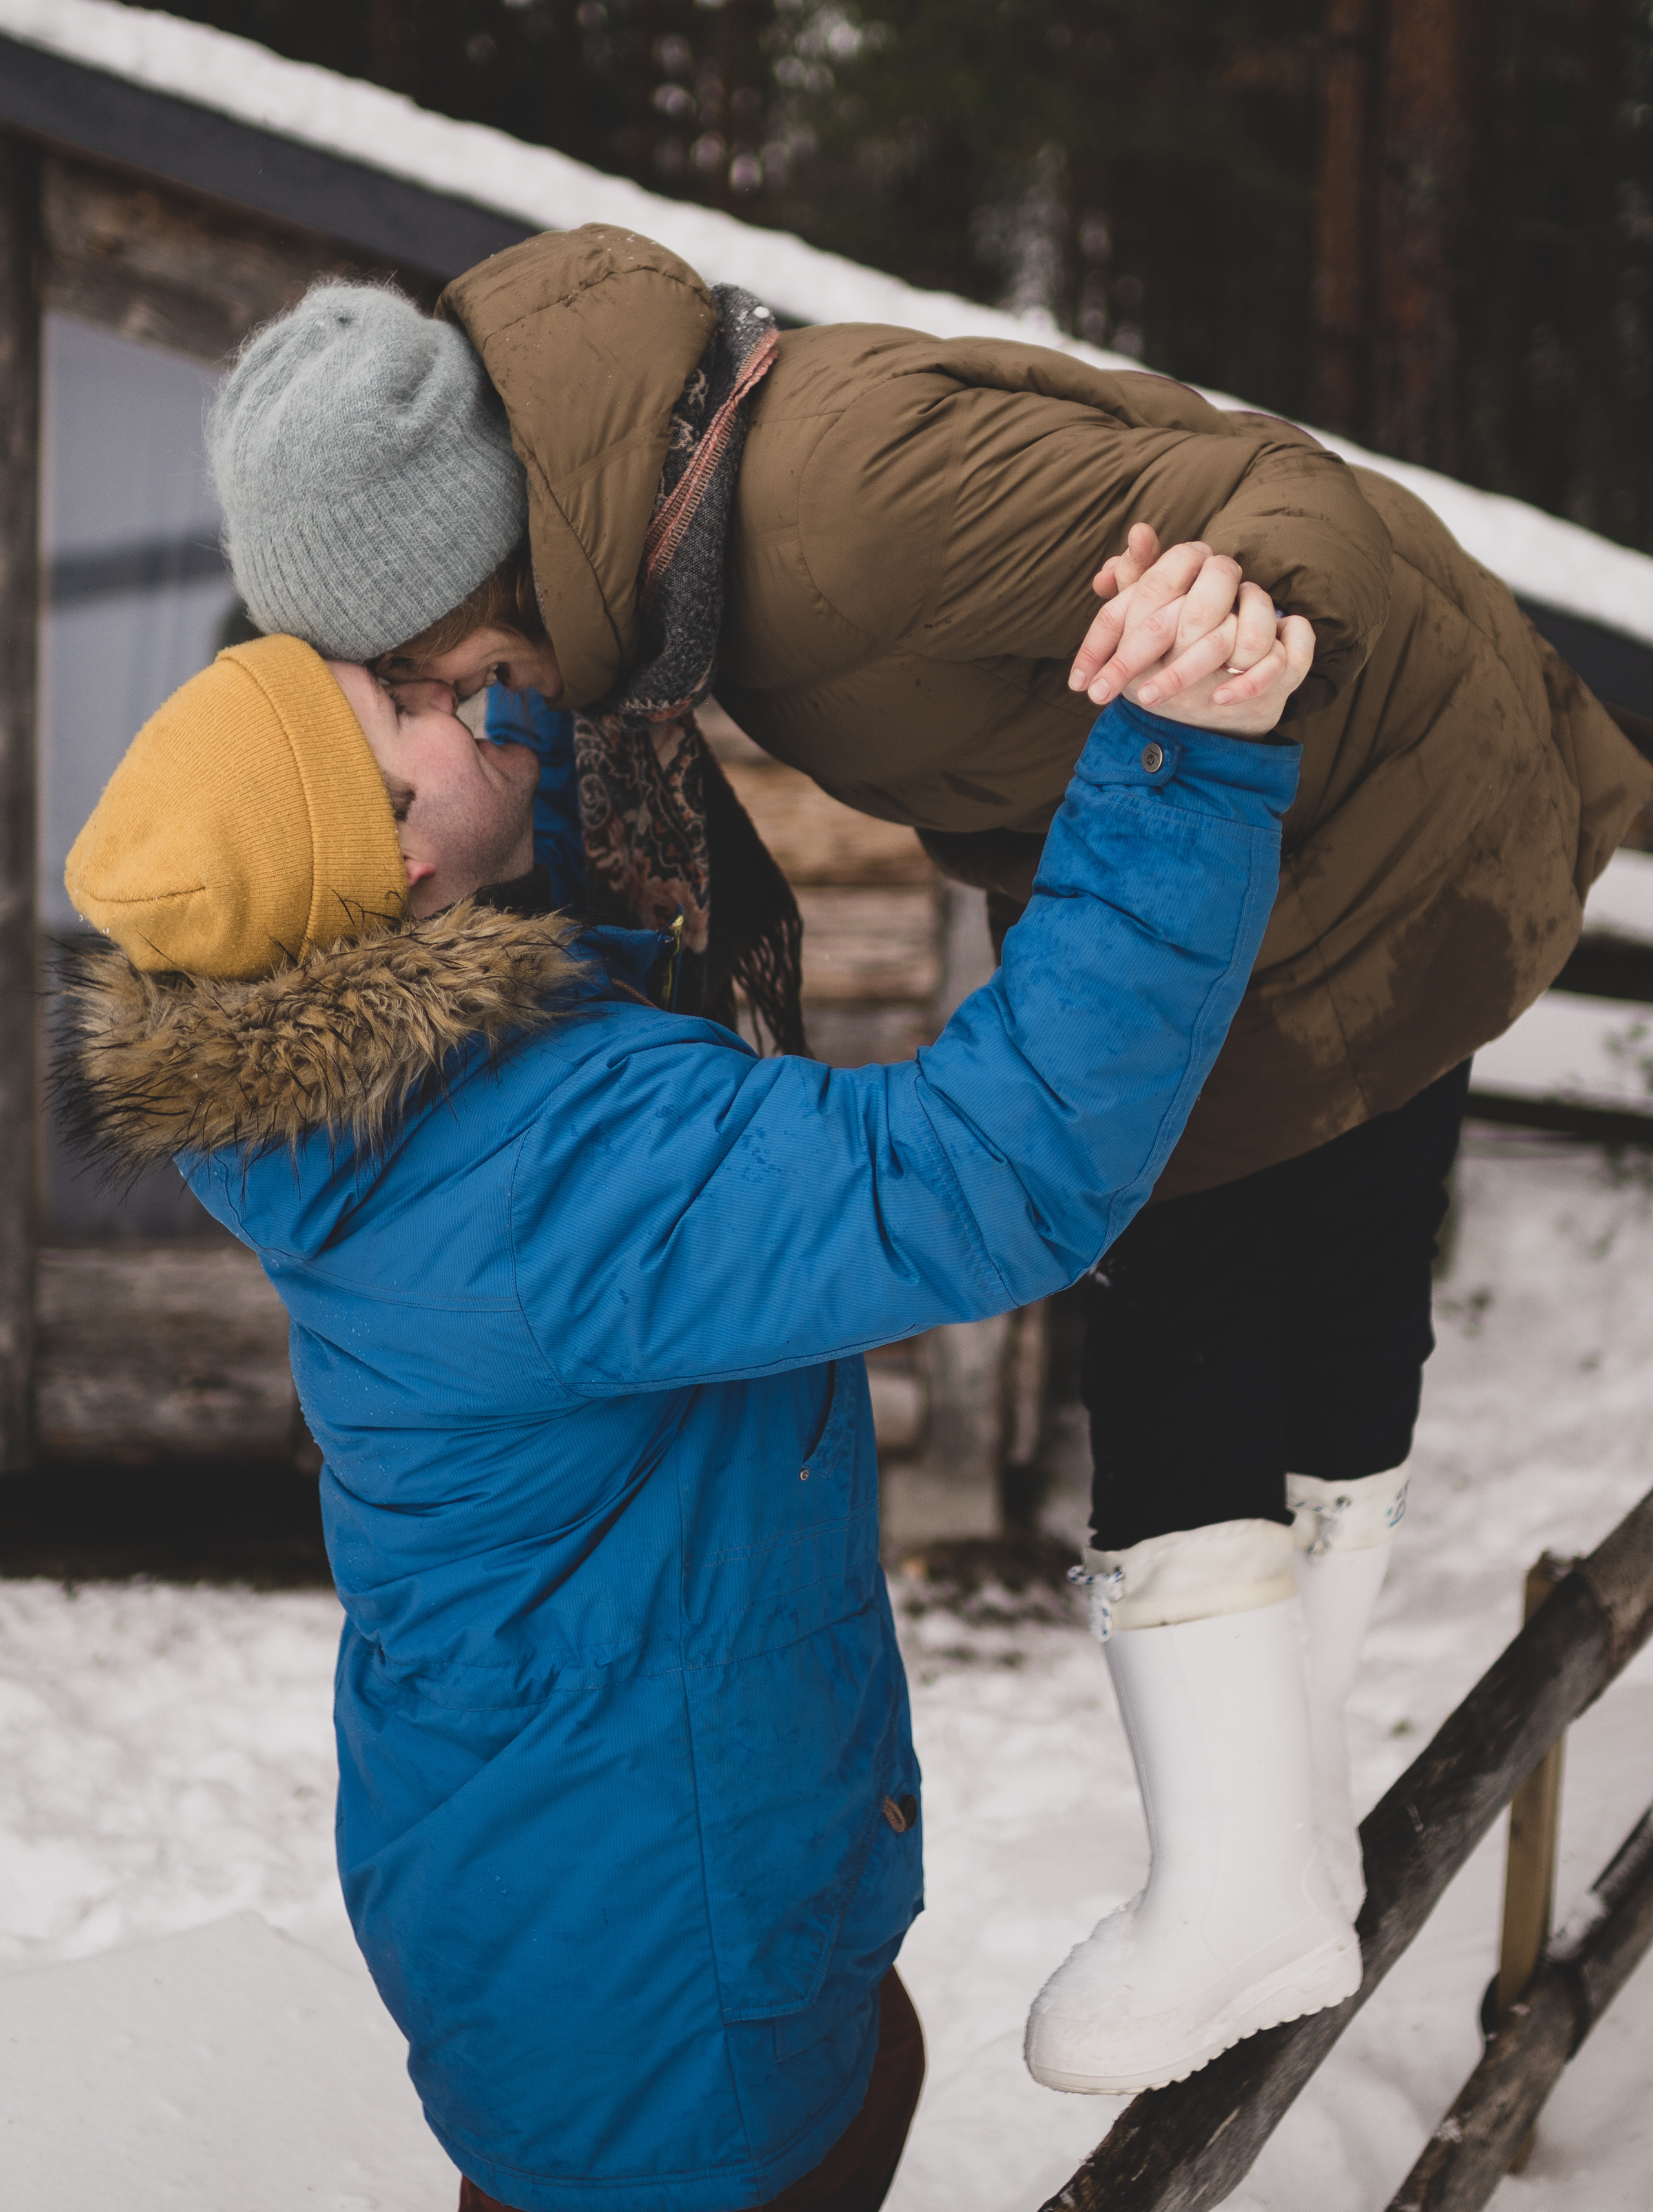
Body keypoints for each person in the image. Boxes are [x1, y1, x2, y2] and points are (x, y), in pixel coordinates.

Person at [200, 229, 1652, 2094]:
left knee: (1184, 1302)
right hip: (1381, 803)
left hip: (1339, 820)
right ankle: (1279, 1825)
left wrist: (1228, 602)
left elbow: (1287, 499)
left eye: (418, 675)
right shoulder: (652, 523)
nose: (455, 712)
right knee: (1322, 1295)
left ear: (469, 572)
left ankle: (1241, 1883)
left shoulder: (829, 510)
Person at [59, 574, 1310, 2205]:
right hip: (660, 1989)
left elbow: (527, 839)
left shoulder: (354, 1102)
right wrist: (1178, 762)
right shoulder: (550, 1169)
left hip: (560, 1899)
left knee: (842, 2077)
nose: (464, 704)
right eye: (414, 708)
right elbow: (988, 1170)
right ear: (404, 875)